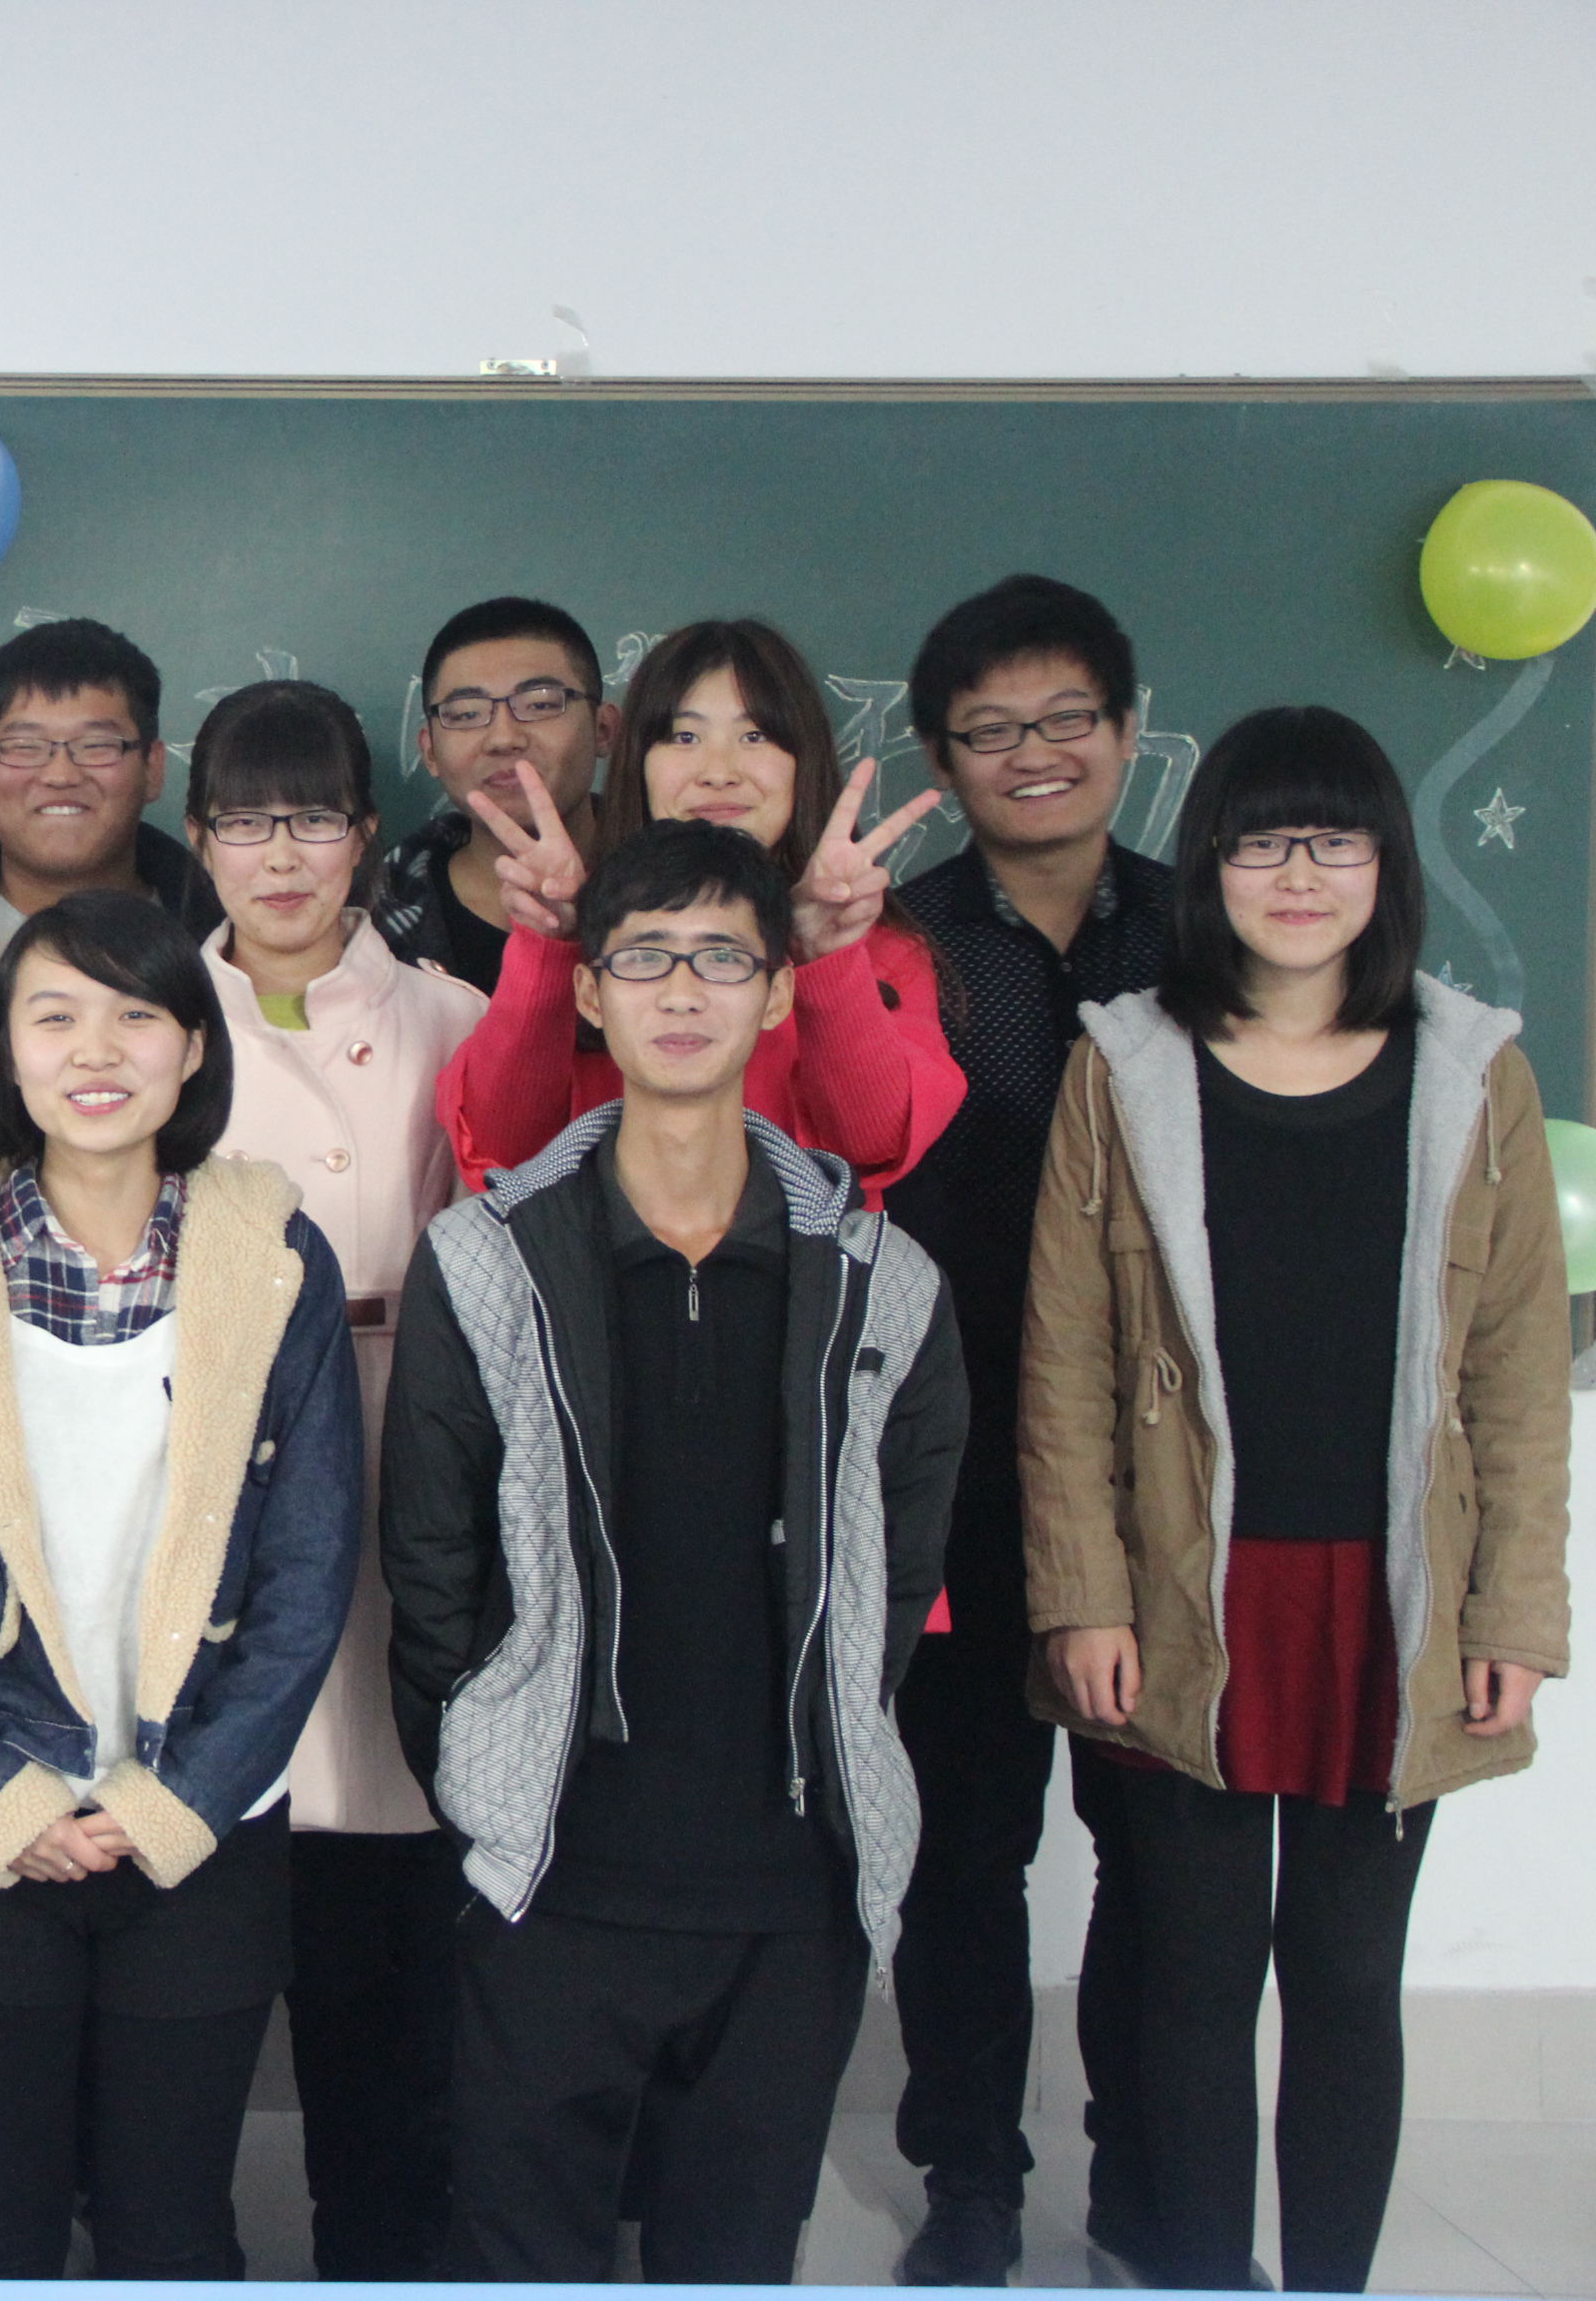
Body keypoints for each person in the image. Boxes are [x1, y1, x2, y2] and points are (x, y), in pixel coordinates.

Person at [1020, 706, 1570, 2296]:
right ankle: (1201, 2278)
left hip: (1392, 1595)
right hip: (1186, 1589)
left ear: (1388, 865)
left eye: (1337, 839)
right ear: (1210, 867)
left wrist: (1514, 1617)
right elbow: (1065, 1361)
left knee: (1344, 1978)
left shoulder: (1473, 1074)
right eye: (1263, 841)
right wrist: (1083, 1595)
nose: (1301, 874)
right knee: (1194, 1977)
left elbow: (1518, 1374)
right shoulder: (1124, 1067)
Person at [383, 820, 966, 2286]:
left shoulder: (880, 1278)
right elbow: (430, 1555)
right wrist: (482, 1766)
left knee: (737, 2253)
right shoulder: (490, 1260)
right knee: (523, 2250)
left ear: (779, 993)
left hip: (790, 1880)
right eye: (645, 958)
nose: (684, 989)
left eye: (721, 957)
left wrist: (836, 1728)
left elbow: (899, 1562)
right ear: (589, 992)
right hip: (555, 1865)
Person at [0, 890, 363, 2281]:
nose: (96, 1049)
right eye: (54, 1014)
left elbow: (310, 1570)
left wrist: (181, 1798)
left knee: (171, 2226)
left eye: (137, 1014)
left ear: (194, 1048)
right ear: (5, 1050)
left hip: (204, 1822)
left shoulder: (274, 1256)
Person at [879, 575, 1175, 2285]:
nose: (1033, 753)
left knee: (1160, 1853)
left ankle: (1147, 2181)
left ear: (1127, 732)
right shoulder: (901, 945)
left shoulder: (1210, 932)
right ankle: (971, 2181)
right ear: (941, 760)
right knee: (966, 1854)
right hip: (964, 1463)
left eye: (1067, 719)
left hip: (1166, 1477)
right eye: (990, 730)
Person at [186, 680, 485, 2278]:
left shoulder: (453, 1017)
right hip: (215, 1460)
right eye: (247, 821)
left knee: (388, 1920)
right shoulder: (147, 1019)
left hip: (412, 1436)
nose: (282, 854)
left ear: (367, 835)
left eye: (311, 818)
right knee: (215, 1891)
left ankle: (382, 2245)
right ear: (200, 842)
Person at [440, 617, 964, 1199]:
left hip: (805, 1258)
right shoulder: (588, 940)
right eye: (684, 737)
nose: (718, 773)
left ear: (803, 760)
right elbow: (503, 1149)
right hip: (594, 1256)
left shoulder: (880, 952)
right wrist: (552, 948)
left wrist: (825, 960)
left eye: (755, 736)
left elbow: (873, 1145)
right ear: (637, 760)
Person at [0, 618, 223, 973]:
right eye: (25, 746)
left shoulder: (229, 946)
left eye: (96, 744)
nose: (60, 775)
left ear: (152, 766)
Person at [374, 598, 620, 994]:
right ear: (430, 752)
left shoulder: (687, 888)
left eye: (540, 704)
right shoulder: (373, 922)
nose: (504, 738)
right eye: (467, 714)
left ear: (603, 730)